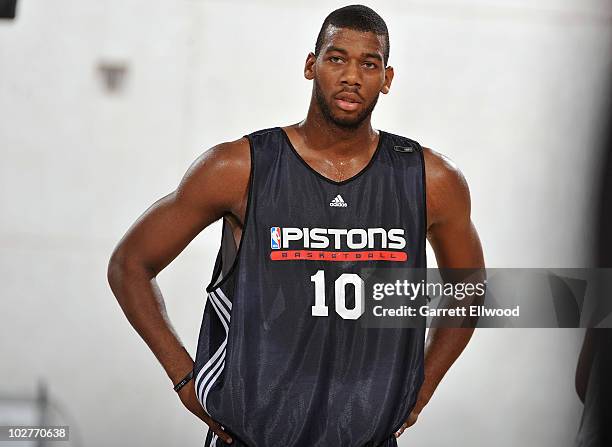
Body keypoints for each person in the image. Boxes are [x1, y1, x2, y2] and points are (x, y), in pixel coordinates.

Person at [107, 4, 484, 446]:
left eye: (369, 63)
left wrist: (421, 388)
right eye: (336, 58)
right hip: (252, 436)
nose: (351, 76)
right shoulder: (239, 167)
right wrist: (184, 380)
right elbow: (130, 264)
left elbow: (470, 288)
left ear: (387, 78)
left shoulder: (430, 180)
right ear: (311, 65)